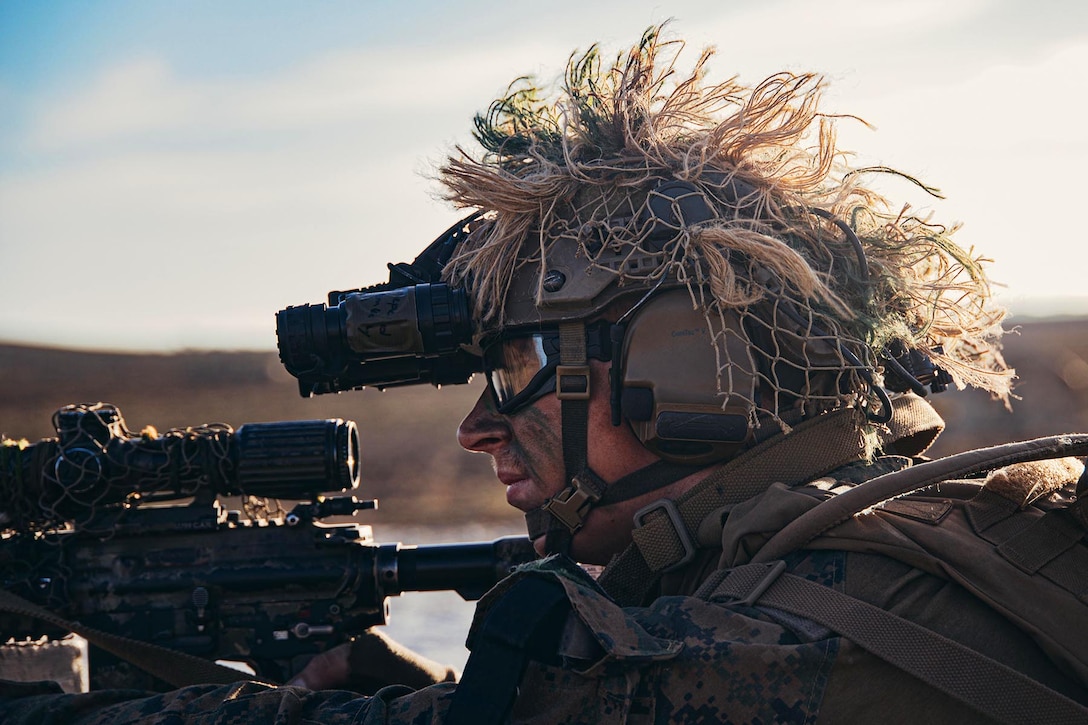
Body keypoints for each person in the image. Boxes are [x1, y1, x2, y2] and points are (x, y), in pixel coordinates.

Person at [3, 26, 1086, 724]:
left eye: (515, 361)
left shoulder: (780, 626)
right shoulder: (906, 547)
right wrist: (424, 687)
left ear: (682, 368)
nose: (479, 426)